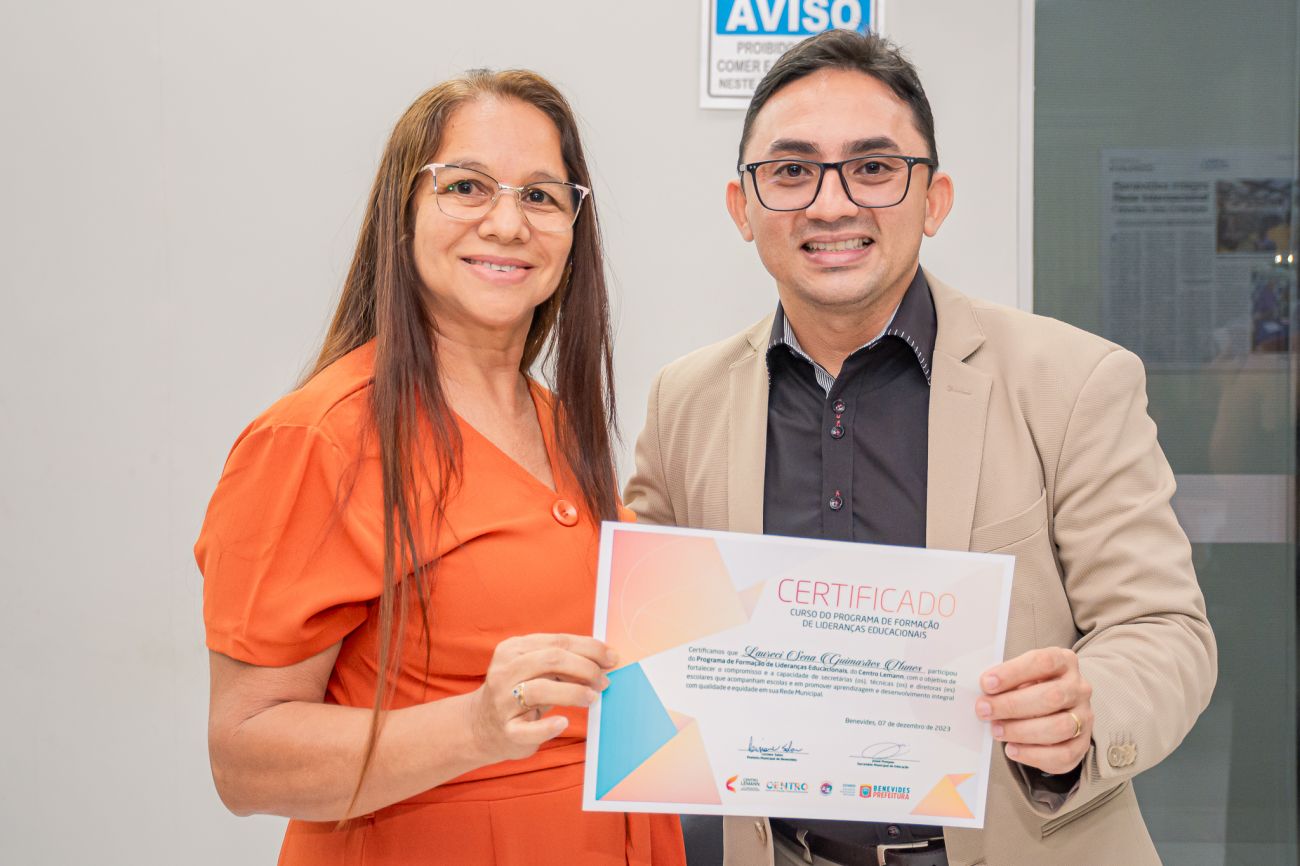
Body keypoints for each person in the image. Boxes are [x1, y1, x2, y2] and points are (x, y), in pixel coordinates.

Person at [624, 30, 1215, 866]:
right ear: (742, 207)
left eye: (873, 167)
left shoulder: (1073, 382)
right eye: (791, 171)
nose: (831, 204)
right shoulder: (684, 402)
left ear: (933, 200)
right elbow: (645, 642)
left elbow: (1163, 630)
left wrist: (1089, 708)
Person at [195, 69, 686, 866]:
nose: (508, 223)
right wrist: (475, 726)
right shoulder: (316, 439)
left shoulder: (561, 424)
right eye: (466, 187)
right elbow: (244, 758)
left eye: (541, 196)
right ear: (403, 213)